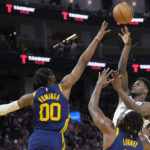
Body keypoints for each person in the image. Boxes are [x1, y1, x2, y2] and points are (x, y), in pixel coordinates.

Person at [0, 21, 110, 150]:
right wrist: (97, 39)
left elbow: (7, 108)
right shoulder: (64, 86)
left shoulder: (31, 96)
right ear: (51, 77)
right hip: (55, 139)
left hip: (35, 139)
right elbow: (83, 62)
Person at [88, 68, 150, 150]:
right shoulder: (143, 142)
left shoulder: (111, 132)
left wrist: (99, 85)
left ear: (119, 121)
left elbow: (92, 107)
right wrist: (145, 136)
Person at [112, 26, 150, 127]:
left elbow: (136, 110)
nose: (134, 85)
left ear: (146, 91)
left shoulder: (147, 106)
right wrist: (127, 46)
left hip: (132, 142)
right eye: (134, 83)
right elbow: (122, 71)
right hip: (114, 140)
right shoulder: (125, 95)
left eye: (138, 84)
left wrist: (119, 89)